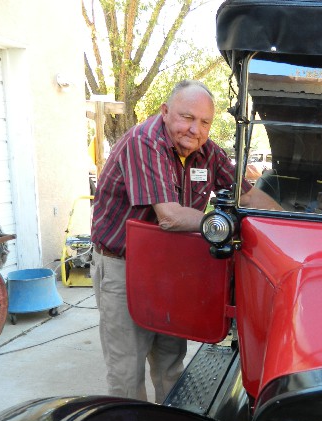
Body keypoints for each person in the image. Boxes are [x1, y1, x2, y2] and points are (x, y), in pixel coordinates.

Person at [91, 80, 280, 403]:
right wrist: (227, 226)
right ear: (165, 112)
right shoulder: (144, 142)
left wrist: (288, 219)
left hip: (170, 266)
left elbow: (248, 196)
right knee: (127, 369)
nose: (195, 129)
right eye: (187, 117)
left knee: (169, 359)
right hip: (124, 266)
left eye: (204, 122)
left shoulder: (208, 152)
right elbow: (171, 216)